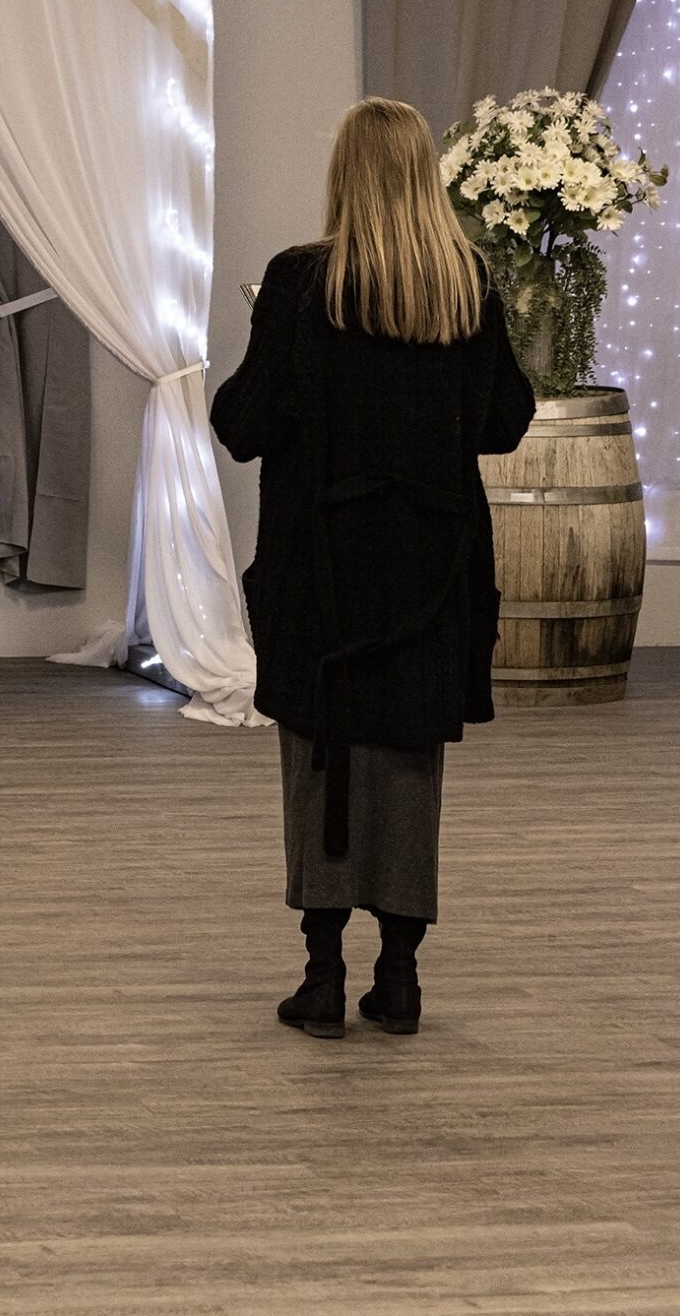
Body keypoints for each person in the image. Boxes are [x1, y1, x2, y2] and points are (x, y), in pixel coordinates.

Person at [211, 97, 535, 1040]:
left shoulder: (301, 282)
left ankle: (320, 976)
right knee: (407, 765)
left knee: (322, 757)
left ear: (343, 175)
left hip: (322, 568)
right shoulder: (465, 285)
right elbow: (504, 421)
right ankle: (400, 979)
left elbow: (242, 425)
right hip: (433, 574)